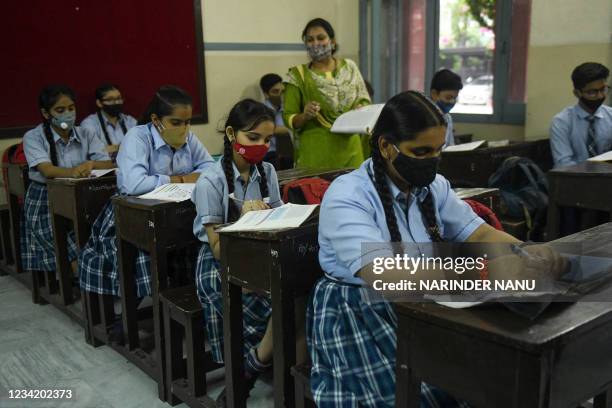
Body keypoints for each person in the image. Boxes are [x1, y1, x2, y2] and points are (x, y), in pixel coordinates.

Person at [307, 90, 566, 407]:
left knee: (493, 372)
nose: (432, 160)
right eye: (421, 151)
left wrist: (526, 250)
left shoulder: (434, 186)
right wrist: (482, 273)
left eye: (438, 151)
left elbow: (479, 233)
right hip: (361, 309)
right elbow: (383, 275)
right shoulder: (349, 194)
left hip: (423, 296)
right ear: (387, 147)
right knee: (424, 395)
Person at [192, 99, 304, 405]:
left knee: (301, 292)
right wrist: (244, 219)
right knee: (284, 305)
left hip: (261, 250)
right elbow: (216, 248)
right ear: (231, 134)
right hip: (219, 263)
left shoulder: (266, 170)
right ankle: (260, 364)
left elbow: (281, 219)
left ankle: (259, 364)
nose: (261, 146)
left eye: (266, 140)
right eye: (252, 138)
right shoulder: (211, 182)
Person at [79, 86, 214, 314]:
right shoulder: (137, 137)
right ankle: (136, 316)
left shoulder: (188, 137)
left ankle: (183, 305)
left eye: (187, 122)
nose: (184, 128)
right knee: (146, 256)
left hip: (175, 213)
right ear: (156, 120)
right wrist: (181, 178)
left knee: (198, 244)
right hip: (132, 216)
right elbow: (134, 185)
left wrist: (177, 180)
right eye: (176, 122)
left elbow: (211, 168)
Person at [22, 84, 113, 274]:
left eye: (71, 108)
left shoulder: (86, 133)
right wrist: (73, 171)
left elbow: (107, 164)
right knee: (58, 237)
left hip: (83, 194)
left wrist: (91, 165)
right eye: (60, 110)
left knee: (104, 223)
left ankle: (91, 268)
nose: (68, 114)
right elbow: (47, 171)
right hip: (45, 196)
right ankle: (80, 270)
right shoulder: (33, 137)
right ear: (46, 114)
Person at [283, 18, 371, 169]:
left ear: (333, 41)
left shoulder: (349, 67)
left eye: (321, 38)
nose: (316, 43)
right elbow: (289, 117)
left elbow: (364, 100)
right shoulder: (297, 76)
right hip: (316, 154)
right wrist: (305, 116)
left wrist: (359, 108)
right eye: (310, 40)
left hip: (351, 150)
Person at [550, 62, 612, 168]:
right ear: (577, 93)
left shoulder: (610, 116)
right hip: (576, 180)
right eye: (592, 92)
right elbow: (563, 164)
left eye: (603, 89)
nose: (600, 96)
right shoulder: (562, 122)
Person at [80, 83, 137, 159]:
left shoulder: (130, 121)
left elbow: (141, 147)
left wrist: (112, 148)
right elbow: (96, 155)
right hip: (105, 169)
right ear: (99, 103)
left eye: (118, 98)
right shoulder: (89, 124)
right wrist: (125, 147)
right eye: (110, 100)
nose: (116, 102)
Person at [259, 73, 292, 168]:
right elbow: (268, 130)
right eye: (276, 91)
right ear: (266, 94)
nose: (281, 95)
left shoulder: (288, 109)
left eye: (283, 91)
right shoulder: (261, 111)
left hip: (288, 155)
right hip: (269, 156)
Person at [430, 69, 463, 147]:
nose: (452, 102)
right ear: (434, 94)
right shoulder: (423, 117)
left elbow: (450, 146)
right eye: (448, 97)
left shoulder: (448, 118)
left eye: (455, 98)